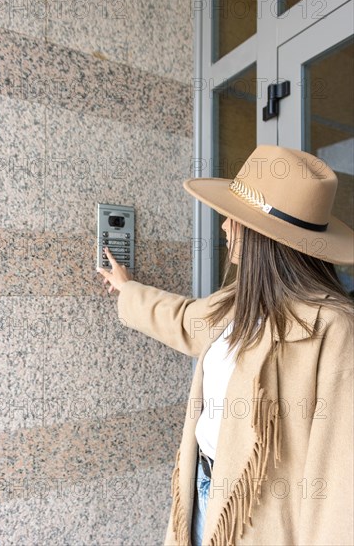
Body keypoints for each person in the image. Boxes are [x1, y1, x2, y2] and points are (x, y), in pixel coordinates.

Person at [97, 145, 354, 546]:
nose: (223, 227)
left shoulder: (333, 328)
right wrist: (128, 288)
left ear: (262, 236)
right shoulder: (241, 301)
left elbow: (339, 479)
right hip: (201, 494)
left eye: (234, 218)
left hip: (261, 518)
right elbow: (184, 319)